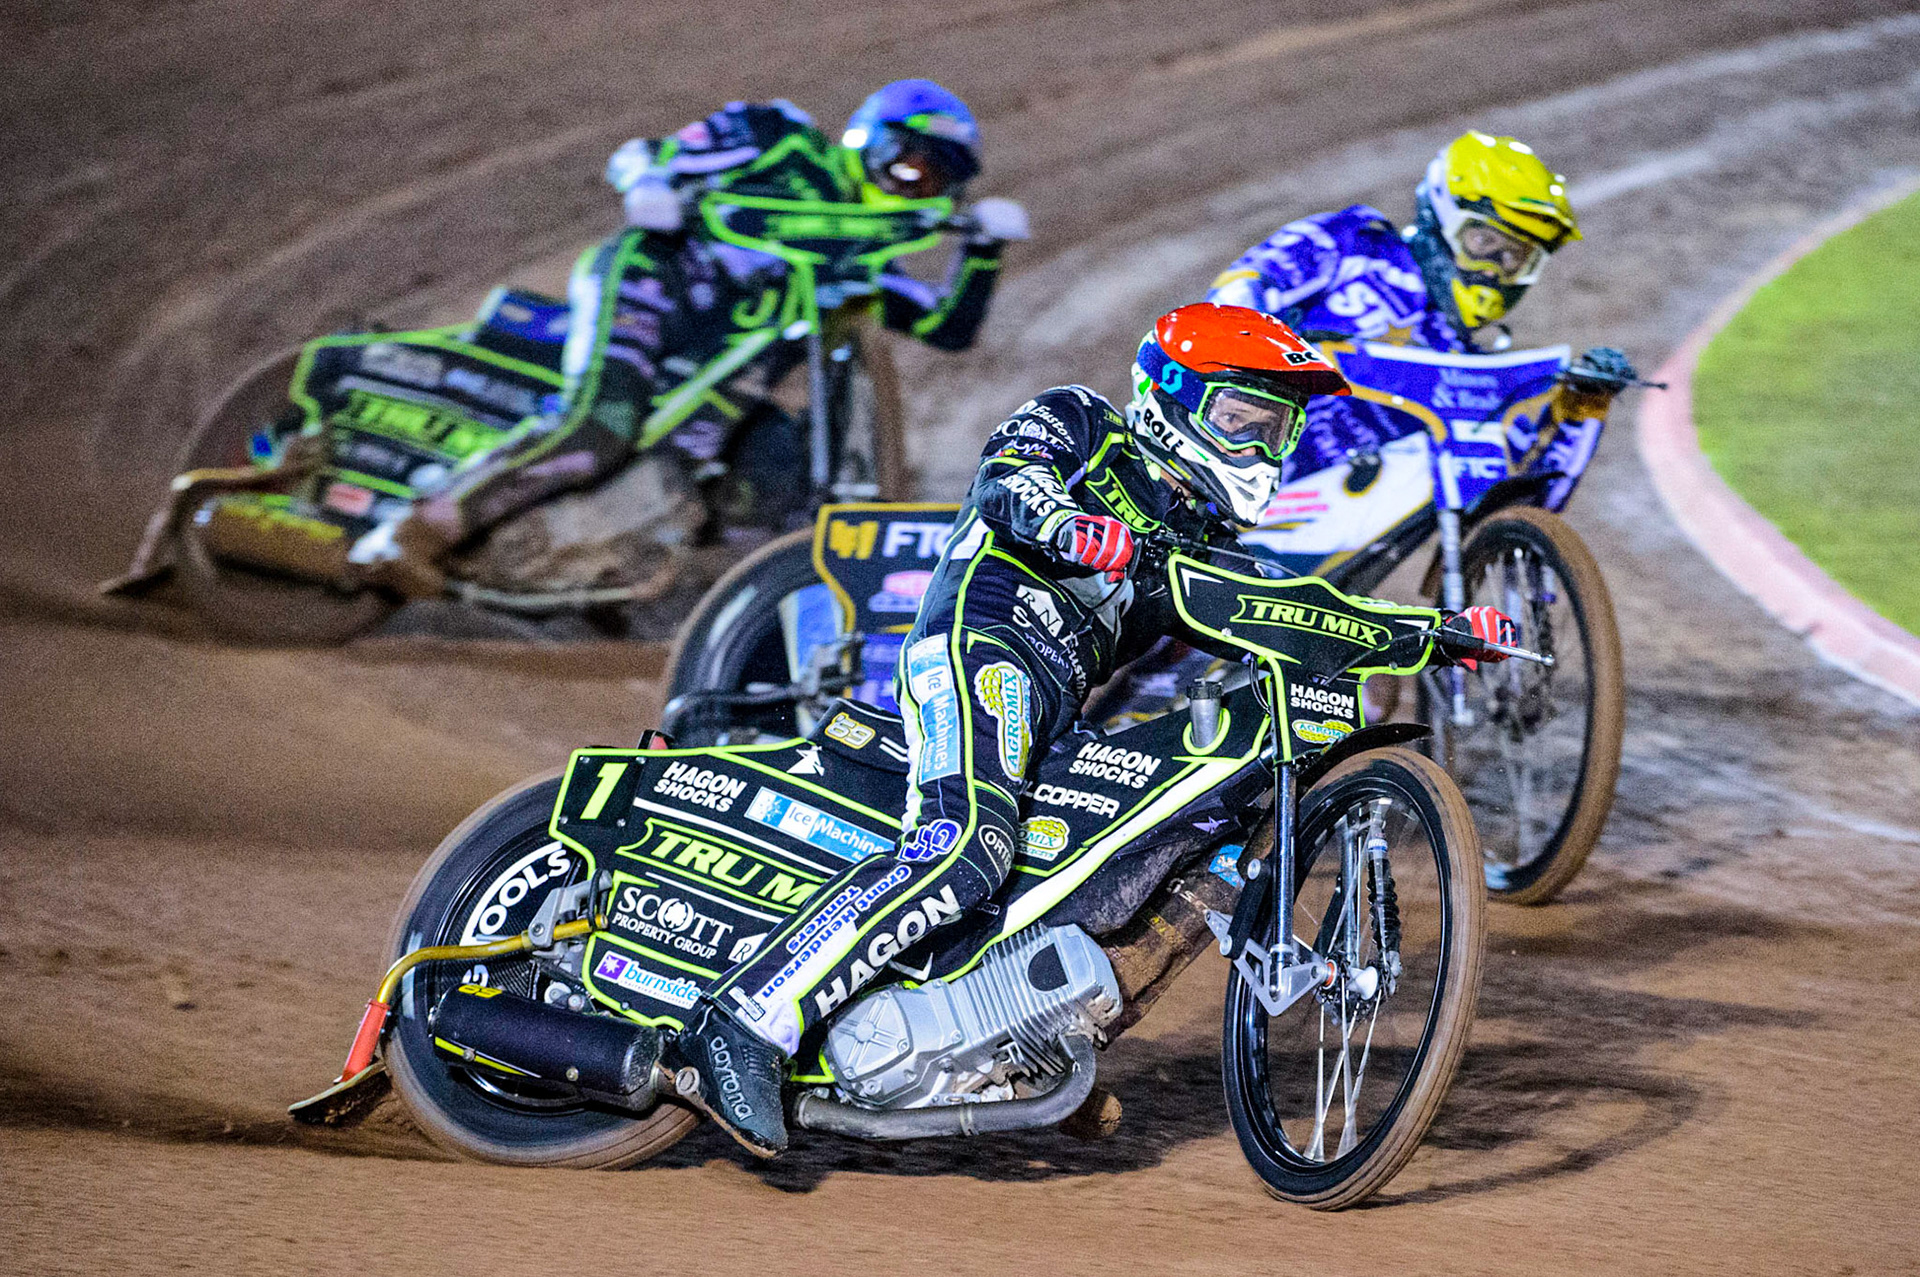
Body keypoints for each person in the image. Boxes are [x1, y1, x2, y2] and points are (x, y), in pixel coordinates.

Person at [668, 302, 1518, 1156]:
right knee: (968, 849)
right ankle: (745, 1017)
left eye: (1276, 431)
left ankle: (1018, 1044)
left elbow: (1303, 608)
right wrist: (1071, 526)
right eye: (1241, 422)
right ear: (1171, 398)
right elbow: (1008, 483)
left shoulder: (1200, 544)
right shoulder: (1081, 420)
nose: (1260, 451)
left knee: (1155, 855)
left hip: (1055, 713)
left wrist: (1436, 633)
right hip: (978, 647)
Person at [350, 80, 1030, 595]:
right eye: (915, 167)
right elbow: (646, 155)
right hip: (651, 285)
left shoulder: (864, 265)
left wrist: (984, 252)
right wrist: (652, 183)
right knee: (599, 427)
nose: (920, 188)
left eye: (939, 181)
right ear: (874, 142)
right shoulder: (781, 138)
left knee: (723, 487)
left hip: (711, 374)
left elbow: (949, 328)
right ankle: (411, 530)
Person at [1206, 130, 1631, 490]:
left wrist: (1580, 413)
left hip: (1314, 519)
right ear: (1442, 217)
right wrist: (1271, 346)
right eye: (1484, 244)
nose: (1494, 270)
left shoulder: (1467, 373)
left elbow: (1521, 500)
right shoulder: (1355, 242)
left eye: (1514, 258)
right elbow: (1240, 287)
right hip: (1223, 458)